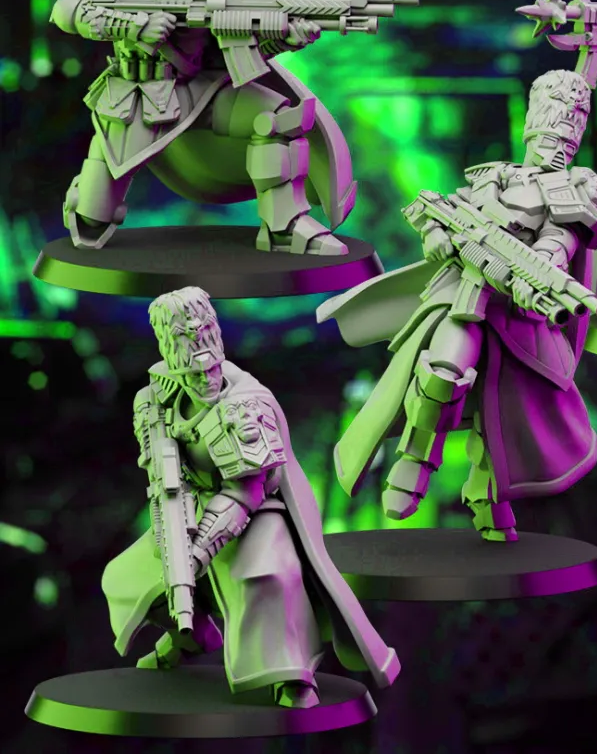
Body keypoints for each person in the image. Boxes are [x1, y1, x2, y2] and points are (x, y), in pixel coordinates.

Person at [320, 70, 597, 541]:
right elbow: (436, 211)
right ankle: (414, 461)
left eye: (565, 133)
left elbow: (563, 239)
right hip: (464, 290)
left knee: (505, 417)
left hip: (520, 315)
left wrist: (541, 265)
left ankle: (488, 502)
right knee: (443, 370)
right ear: (530, 126)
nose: (554, 144)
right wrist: (435, 234)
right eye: (547, 131)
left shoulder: (575, 187)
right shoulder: (493, 176)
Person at [102, 286, 399, 707]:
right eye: (194, 374)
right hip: (191, 502)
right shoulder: (156, 398)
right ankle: (191, 637)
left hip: (256, 509)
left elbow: (248, 489)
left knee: (265, 574)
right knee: (127, 576)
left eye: (210, 370)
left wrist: (197, 553)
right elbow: (159, 470)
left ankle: (292, 677)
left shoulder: (244, 404)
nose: (206, 379)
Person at [49, 0, 352, 254]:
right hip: (133, 101)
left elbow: (244, 52)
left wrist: (287, 39)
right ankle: (87, 201)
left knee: (276, 118)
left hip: (204, 92)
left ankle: (283, 228)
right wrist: (132, 26)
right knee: (90, 223)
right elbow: (66, 10)